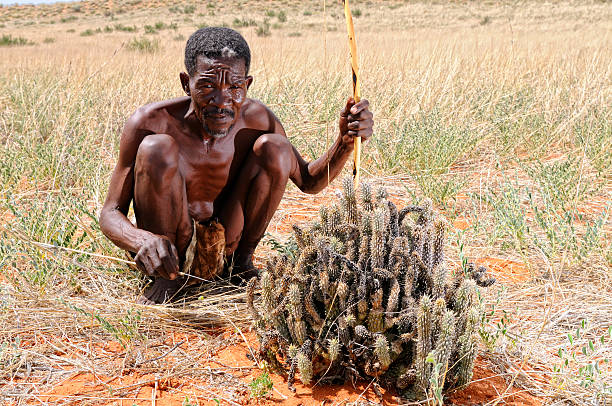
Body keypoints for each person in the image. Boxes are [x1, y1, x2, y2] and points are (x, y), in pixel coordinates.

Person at [99, 27, 373, 304]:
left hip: (226, 245)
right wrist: (141, 241)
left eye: (234, 87)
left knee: (276, 148)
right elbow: (110, 212)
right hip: (169, 253)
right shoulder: (149, 122)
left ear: (247, 84)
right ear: (186, 83)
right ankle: (166, 281)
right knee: (156, 148)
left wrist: (344, 142)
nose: (222, 102)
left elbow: (309, 182)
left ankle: (241, 266)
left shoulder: (259, 121)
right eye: (207, 86)